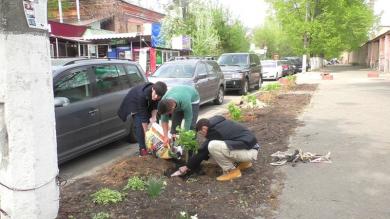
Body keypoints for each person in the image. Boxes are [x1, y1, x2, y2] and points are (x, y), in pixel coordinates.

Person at [173, 115, 260, 181]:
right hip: (251, 147)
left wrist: (187, 166)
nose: (202, 136)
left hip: (250, 152)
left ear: (204, 129)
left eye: (200, 133)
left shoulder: (215, 132)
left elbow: (203, 151)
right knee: (227, 144)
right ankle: (244, 163)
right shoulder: (217, 124)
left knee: (213, 145)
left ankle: (232, 171)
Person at [118, 81, 167, 156]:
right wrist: (147, 133)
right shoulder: (142, 94)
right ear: (153, 89)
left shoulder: (158, 93)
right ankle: (143, 150)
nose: (156, 97)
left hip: (146, 103)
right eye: (155, 94)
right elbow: (143, 115)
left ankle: (152, 146)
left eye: (159, 96)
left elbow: (155, 105)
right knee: (140, 124)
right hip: (134, 102)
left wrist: (153, 117)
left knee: (153, 120)